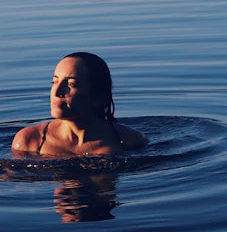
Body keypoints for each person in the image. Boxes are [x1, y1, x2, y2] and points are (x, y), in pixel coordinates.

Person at [12, 52, 146, 158]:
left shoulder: (130, 141)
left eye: (71, 84)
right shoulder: (29, 141)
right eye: (54, 82)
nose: (56, 92)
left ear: (98, 96)